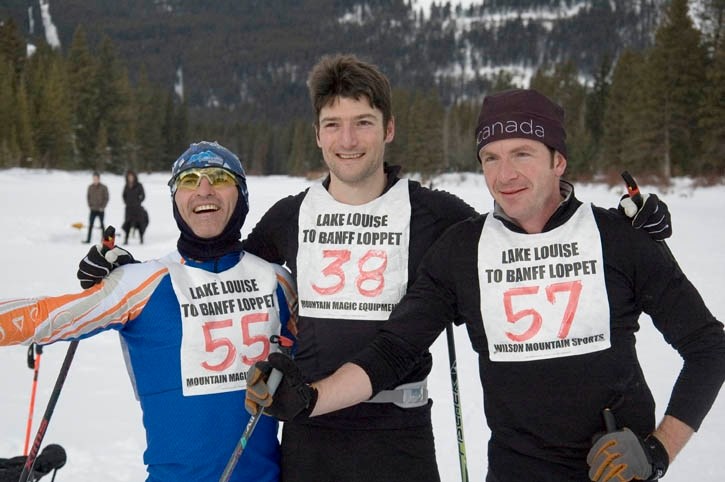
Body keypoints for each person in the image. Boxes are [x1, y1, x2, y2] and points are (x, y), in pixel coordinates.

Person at [78, 58, 673, 481]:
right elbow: (226, 271)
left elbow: (518, 231)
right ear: (316, 137)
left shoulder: (435, 211)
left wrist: (624, 225)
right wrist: (123, 270)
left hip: (400, 432)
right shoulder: (292, 215)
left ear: (387, 129)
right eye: (333, 124)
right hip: (310, 434)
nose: (349, 139)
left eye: (363, 122)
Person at [246, 89, 725, 481]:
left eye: (523, 154)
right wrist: (310, 399)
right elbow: (393, 351)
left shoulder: (618, 238)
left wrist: (658, 450)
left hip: (616, 470)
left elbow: (709, 346)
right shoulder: (464, 249)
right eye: (491, 157)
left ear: (559, 161)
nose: (505, 174)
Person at [1, 141, 298, 482]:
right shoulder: (140, 284)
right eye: (189, 180)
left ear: (241, 193)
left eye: (218, 177)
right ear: (175, 199)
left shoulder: (277, 281)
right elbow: (45, 316)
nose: (204, 189)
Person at [122, 169, 149, 244]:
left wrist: (138, 202)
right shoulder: (126, 186)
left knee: (140, 223)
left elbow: (143, 195)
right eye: (129, 177)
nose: (130, 178)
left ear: (134, 177)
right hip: (129, 208)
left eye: (132, 177)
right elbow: (124, 195)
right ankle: (126, 239)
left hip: (137, 208)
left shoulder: (139, 185)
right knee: (127, 223)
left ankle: (141, 239)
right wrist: (126, 202)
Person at [84, 171, 109, 244]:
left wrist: (103, 206)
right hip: (93, 209)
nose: (95, 180)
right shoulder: (90, 187)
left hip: (101, 210)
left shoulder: (104, 187)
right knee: (90, 225)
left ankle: (104, 240)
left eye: (96, 178)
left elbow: (106, 198)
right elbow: (88, 197)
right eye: (94, 178)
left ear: (99, 178)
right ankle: (88, 239)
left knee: (102, 225)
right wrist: (90, 205)